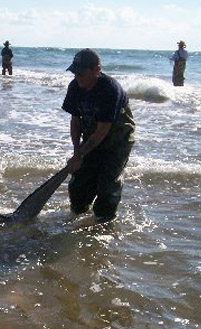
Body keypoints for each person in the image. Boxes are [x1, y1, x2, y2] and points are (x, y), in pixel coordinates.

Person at [62, 48, 136, 224]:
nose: (77, 77)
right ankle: (78, 218)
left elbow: (103, 129)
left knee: (107, 185)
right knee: (78, 185)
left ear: (97, 70)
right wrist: (76, 152)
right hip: (91, 136)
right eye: (74, 72)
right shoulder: (75, 86)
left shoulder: (110, 89)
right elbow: (75, 120)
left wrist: (80, 155)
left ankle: (104, 224)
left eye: (81, 73)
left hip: (118, 139)